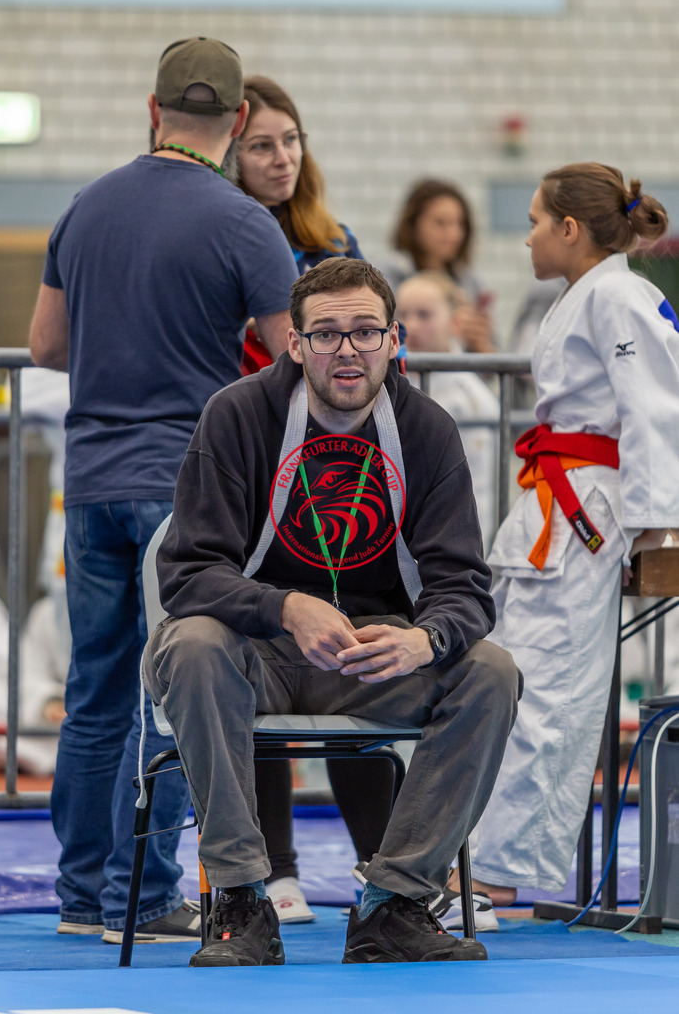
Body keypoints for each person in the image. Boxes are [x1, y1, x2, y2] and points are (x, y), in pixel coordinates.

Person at [143, 256, 522, 966]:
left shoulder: (427, 430)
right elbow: (186, 574)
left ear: (393, 339)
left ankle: (396, 902)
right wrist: (285, 606)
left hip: (372, 659)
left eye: (365, 331)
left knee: (490, 672)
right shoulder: (238, 415)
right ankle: (241, 899)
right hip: (252, 653)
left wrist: (425, 639)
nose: (347, 349)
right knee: (191, 644)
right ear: (295, 343)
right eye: (326, 334)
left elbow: (464, 587)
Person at [28, 36, 298, 944]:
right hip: (182, 485)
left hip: (90, 481)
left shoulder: (84, 206)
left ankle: (81, 897)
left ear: (153, 111)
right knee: (174, 689)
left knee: (95, 687)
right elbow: (295, 359)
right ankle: (141, 899)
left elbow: (46, 346)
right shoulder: (243, 223)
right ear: (239, 120)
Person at [448, 163, 679, 924]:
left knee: (550, 689)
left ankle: (498, 876)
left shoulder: (618, 296)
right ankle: (479, 857)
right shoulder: (589, 295)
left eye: (536, 222)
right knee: (511, 680)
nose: (528, 238)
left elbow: (655, 411)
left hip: (584, 509)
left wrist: (657, 531)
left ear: (570, 229)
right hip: (557, 499)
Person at [233, 74, 396, 923]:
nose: (280, 157)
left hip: (336, 476)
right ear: (229, 151)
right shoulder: (219, 231)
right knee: (255, 652)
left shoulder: (332, 242)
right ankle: (273, 871)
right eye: (261, 144)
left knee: (352, 642)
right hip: (248, 469)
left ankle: (388, 870)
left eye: (290, 140)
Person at [396, 271, 499, 543]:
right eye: (403, 314)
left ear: (455, 322)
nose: (411, 325)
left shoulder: (470, 398)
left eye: (424, 315)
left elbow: (479, 487)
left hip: (448, 535)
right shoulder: (390, 381)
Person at [379, 178, 494, 354]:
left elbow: (490, 356)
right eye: (441, 223)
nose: (454, 234)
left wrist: (480, 342)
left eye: (460, 224)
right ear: (414, 225)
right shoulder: (386, 278)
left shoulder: (471, 283)